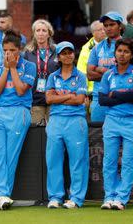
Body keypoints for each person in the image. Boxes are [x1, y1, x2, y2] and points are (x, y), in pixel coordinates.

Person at [0, 30, 35, 210]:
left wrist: (13, 68)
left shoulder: (29, 66)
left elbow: (21, 90)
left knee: (11, 155)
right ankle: (1, 195)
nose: (8, 54)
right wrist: (6, 68)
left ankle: (1, 195)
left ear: (20, 49)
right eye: (5, 50)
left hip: (19, 111)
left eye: (12, 50)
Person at [98, 38, 133, 211]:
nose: (122, 54)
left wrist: (114, 94)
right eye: (119, 51)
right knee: (109, 160)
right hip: (111, 121)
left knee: (128, 161)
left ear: (132, 54)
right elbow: (102, 100)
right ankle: (109, 196)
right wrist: (126, 95)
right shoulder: (108, 74)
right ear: (115, 53)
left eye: (126, 51)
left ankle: (121, 198)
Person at [45, 41, 89, 209]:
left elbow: (80, 100)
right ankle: (55, 197)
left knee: (78, 160)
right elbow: (49, 99)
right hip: (56, 120)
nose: (68, 55)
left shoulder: (80, 76)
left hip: (75, 121)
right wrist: (69, 96)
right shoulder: (52, 76)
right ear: (59, 57)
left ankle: (76, 198)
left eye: (70, 52)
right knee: (53, 159)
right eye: (64, 53)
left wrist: (60, 97)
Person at [87, 11, 124, 122]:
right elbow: (90, 75)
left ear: (120, 26)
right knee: (97, 135)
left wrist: (100, 69)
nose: (108, 28)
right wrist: (113, 72)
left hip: (120, 98)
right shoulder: (97, 48)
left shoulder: (128, 46)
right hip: (99, 98)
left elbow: (127, 73)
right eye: (106, 25)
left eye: (112, 25)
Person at [23, 19, 58, 124]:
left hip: (54, 97)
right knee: (36, 133)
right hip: (35, 98)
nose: (41, 33)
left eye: (44, 30)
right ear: (34, 33)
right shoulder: (27, 53)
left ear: (49, 33)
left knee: (53, 131)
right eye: (38, 30)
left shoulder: (57, 51)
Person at [77, 20, 106, 95]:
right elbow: (81, 72)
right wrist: (84, 92)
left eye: (104, 29)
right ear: (93, 33)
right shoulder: (86, 49)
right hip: (92, 91)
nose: (103, 32)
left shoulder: (112, 44)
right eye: (100, 30)